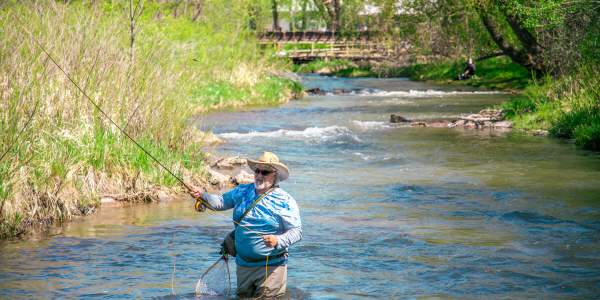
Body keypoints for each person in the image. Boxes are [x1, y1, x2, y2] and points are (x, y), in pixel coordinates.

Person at [191, 152, 302, 298]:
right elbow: (221, 202)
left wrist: (278, 240)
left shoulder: (285, 200)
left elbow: (296, 232)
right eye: (257, 171)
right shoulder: (243, 191)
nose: (259, 175)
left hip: (271, 268)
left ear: (275, 175)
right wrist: (203, 195)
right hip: (243, 265)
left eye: (265, 172)